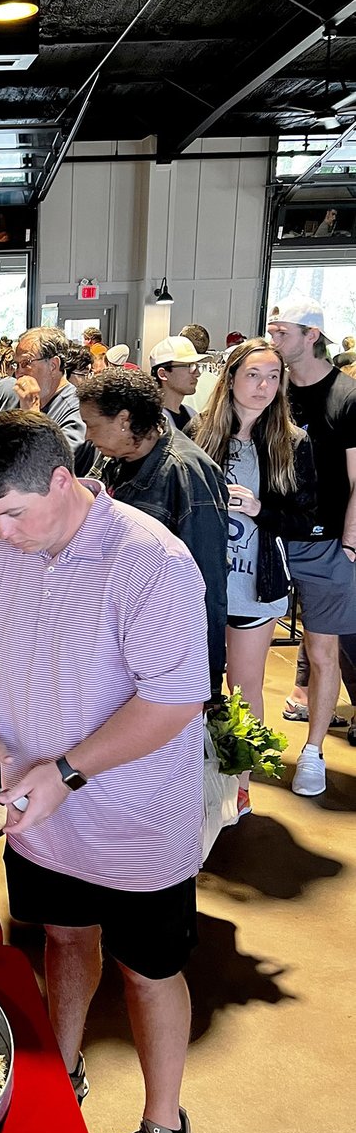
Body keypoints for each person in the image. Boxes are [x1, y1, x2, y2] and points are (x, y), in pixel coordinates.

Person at [0, 410, 208, 1133]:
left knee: (147, 970)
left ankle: (165, 1129)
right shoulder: (3, 555)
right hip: (42, 811)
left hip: (136, 816)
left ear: (63, 481)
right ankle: (59, 1079)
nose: (2, 533)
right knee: (64, 939)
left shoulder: (150, 560)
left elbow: (174, 700)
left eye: (13, 514)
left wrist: (68, 772)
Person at [193, 338, 318, 815]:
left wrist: (260, 508)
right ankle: (189, 782)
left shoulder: (292, 442)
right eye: (253, 375)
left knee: (245, 692)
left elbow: (306, 521)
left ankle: (239, 786)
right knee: (193, 690)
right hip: (200, 587)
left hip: (255, 587)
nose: (263, 386)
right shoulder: (199, 434)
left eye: (273, 377)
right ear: (230, 379)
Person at [77, 367, 228, 697]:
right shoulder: (112, 459)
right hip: (116, 629)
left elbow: (208, 581)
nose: (87, 436)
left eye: (92, 425)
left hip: (160, 639)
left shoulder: (188, 473)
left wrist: (208, 680)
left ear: (123, 420)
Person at [268, 297, 356, 796]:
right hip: (271, 536)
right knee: (248, 645)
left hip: (327, 546)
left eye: (282, 332)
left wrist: (350, 542)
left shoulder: (346, 396)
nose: (274, 339)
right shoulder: (271, 388)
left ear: (312, 335)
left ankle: (313, 752)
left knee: (324, 651)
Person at [11, 327, 88, 452]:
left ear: (53, 365)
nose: (18, 373)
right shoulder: (24, 400)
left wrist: (32, 415)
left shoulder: (77, 408)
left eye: (26, 363)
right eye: (16, 365)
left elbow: (53, 458)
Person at [149, 335, 206, 430]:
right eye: (189, 366)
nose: (197, 374)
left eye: (197, 366)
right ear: (163, 374)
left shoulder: (192, 415)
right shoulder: (151, 420)